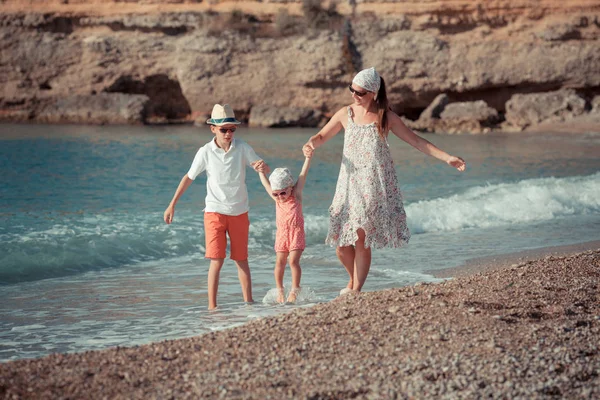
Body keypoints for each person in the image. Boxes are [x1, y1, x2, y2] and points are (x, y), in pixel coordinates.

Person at [302, 67, 466, 295]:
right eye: (352, 90)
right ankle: (352, 281)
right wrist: (310, 143)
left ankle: (356, 290)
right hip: (348, 185)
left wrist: (447, 157)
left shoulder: (385, 117)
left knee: (361, 238)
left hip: (372, 185)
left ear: (373, 93)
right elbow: (321, 136)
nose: (354, 95)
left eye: (359, 92)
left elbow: (417, 141)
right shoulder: (345, 113)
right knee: (340, 245)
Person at [163, 104, 270, 310]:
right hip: (214, 212)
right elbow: (188, 178)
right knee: (216, 261)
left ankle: (249, 304)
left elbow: (263, 167)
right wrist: (172, 205)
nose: (228, 133)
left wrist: (263, 167)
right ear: (213, 128)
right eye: (224, 129)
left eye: (232, 129)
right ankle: (212, 308)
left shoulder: (243, 148)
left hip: (239, 212)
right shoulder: (205, 152)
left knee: (241, 260)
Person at [258, 156, 312, 303]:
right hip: (282, 234)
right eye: (276, 194)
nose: (280, 197)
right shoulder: (276, 198)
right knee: (279, 262)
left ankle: (295, 289)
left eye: (283, 193)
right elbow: (265, 184)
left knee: (293, 261)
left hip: (296, 233)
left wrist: (308, 158)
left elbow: (303, 174)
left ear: (290, 188)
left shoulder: (296, 195)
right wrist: (260, 172)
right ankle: (280, 291)